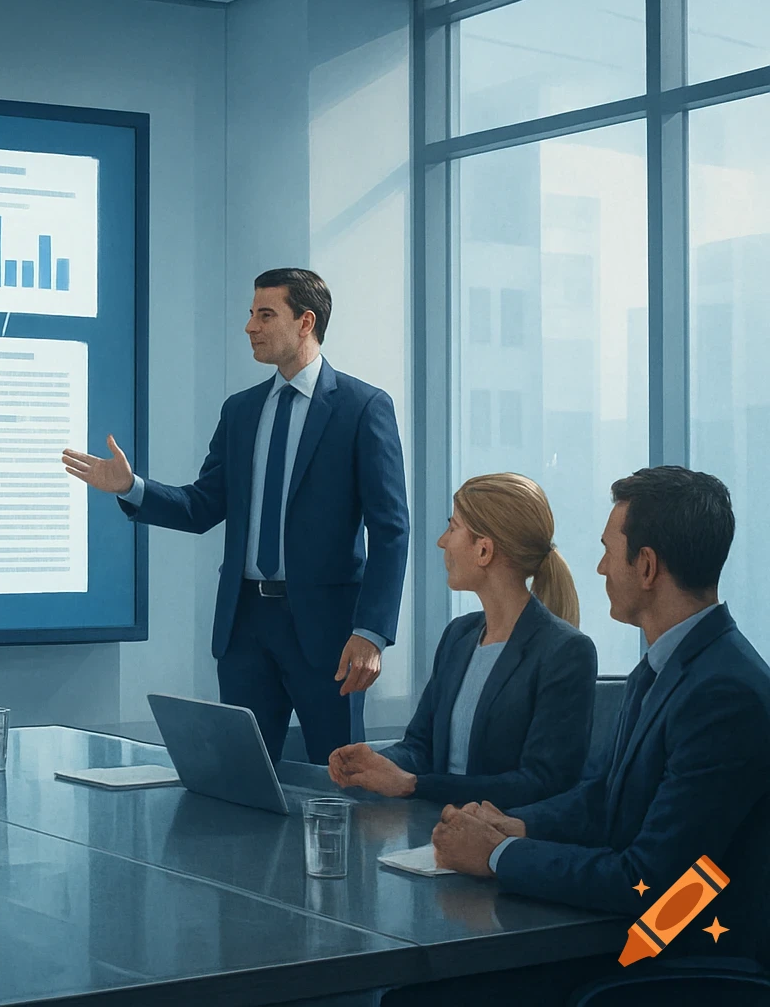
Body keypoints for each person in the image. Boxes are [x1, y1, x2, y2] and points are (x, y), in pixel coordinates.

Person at [422, 466, 770, 999]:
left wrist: (495, 857)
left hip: (677, 960)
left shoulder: (725, 695)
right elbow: (606, 798)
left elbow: (649, 879)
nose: (602, 566)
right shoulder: (663, 668)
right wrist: (514, 826)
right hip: (633, 941)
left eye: (610, 550)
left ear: (647, 566)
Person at [63, 268, 409, 764]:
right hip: (245, 626)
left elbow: (392, 530)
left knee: (340, 782)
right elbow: (203, 506)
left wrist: (371, 632)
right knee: (242, 781)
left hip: (330, 632)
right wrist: (132, 488)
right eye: (251, 314)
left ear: (305, 321)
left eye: (265, 315)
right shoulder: (242, 411)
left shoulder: (363, 407)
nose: (250, 326)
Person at [327, 473, 597, 808]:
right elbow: (419, 747)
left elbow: (542, 784)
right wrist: (376, 763)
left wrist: (414, 785)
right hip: (434, 836)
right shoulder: (459, 635)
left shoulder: (566, 652)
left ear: (484, 550)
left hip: (502, 846)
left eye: (453, 528)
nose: (442, 541)